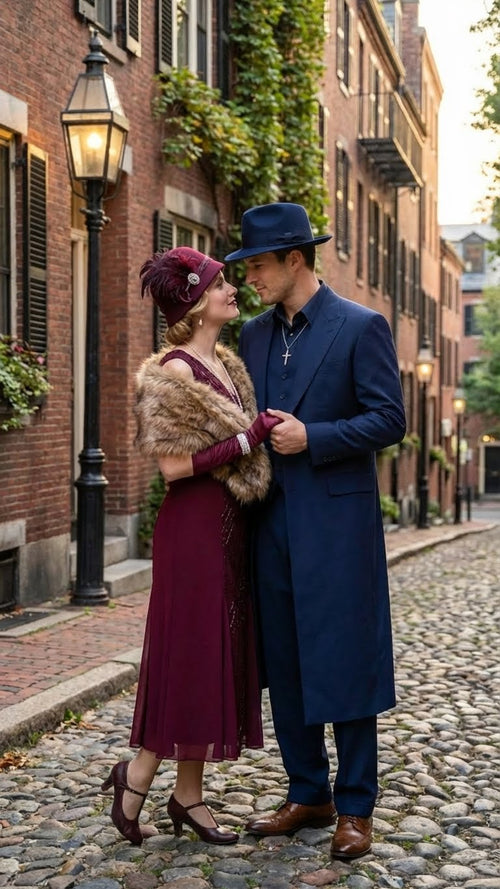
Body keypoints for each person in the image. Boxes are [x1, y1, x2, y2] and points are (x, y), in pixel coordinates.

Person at [224, 202, 406, 859]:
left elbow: (390, 418)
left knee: (347, 660)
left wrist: (316, 437)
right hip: (270, 523)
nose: (252, 279)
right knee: (286, 661)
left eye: (261, 265)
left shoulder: (362, 326)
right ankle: (309, 791)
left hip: (339, 525)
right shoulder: (251, 335)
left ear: (295, 259)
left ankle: (356, 806)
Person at [101, 246, 280, 846]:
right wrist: (248, 438)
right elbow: (175, 467)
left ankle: (187, 795)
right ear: (198, 303)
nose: (232, 289)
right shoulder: (174, 370)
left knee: (211, 655)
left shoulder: (227, 363)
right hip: (194, 530)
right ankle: (142, 777)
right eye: (221, 284)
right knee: (190, 654)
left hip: (230, 528)